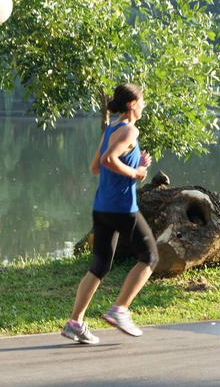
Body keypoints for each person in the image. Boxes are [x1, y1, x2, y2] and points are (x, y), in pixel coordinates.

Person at [61, 83, 158, 344]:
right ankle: (120, 309)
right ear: (132, 105)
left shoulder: (111, 130)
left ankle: (75, 323)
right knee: (150, 256)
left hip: (102, 207)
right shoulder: (129, 130)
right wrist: (136, 173)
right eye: (142, 101)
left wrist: (135, 163)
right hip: (122, 208)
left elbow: (96, 166)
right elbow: (107, 161)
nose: (144, 106)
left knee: (100, 266)